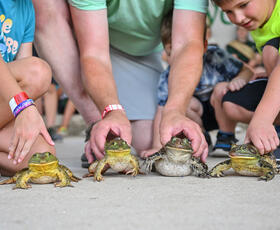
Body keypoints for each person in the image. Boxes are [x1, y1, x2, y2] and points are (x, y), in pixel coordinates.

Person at [33, 0, 209, 164]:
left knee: (149, 138)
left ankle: (190, 120)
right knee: (45, 4)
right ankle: (96, 123)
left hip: (146, 48)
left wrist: (174, 110)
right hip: (88, 43)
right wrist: (111, 111)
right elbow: (94, 53)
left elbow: (187, 43)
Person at [141, 10, 254, 158]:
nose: (179, 56)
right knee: (179, 104)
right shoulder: (167, 75)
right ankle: (201, 135)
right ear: (165, 50)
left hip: (221, 108)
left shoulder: (216, 56)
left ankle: (226, 136)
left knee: (221, 89)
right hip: (197, 116)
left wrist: (239, 79)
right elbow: (162, 111)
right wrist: (157, 145)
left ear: (204, 45)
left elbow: (246, 71)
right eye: (171, 50)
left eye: (184, 50)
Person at [212, 0, 280, 155]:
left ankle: (268, 128)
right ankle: (275, 135)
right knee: (229, 101)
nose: (239, 18)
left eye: (243, 5)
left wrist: (262, 120)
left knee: (270, 51)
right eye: (228, 12)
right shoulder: (261, 22)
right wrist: (270, 71)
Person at [0, 0, 55, 176]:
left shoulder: (27, 8)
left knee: (41, 156)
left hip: (6, 100)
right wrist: (22, 106)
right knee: (38, 72)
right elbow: (30, 76)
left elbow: (25, 87)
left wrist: (32, 121)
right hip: (13, 100)